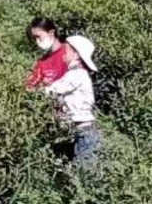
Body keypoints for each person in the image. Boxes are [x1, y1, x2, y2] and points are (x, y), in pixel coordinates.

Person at [25, 18, 100, 165]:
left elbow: (56, 88)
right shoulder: (47, 64)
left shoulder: (76, 74)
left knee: (85, 169)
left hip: (82, 129)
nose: (66, 53)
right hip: (70, 127)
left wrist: (37, 92)